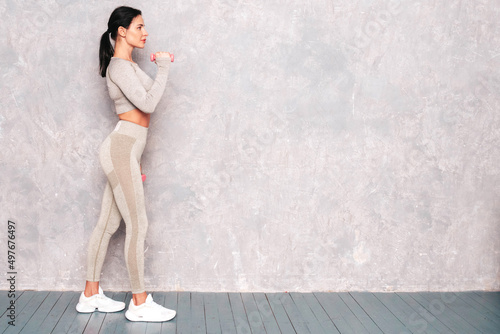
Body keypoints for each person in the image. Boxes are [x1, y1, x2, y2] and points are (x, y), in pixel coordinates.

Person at [75, 6, 175, 322]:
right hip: (121, 149)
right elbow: (148, 102)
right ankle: (140, 302)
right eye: (139, 27)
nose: (145, 33)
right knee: (138, 224)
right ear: (122, 31)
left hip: (125, 151)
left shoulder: (129, 66)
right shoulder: (119, 66)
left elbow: (147, 97)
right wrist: (163, 69)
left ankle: (90, 294)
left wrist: (130, 162)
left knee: (109, 224)